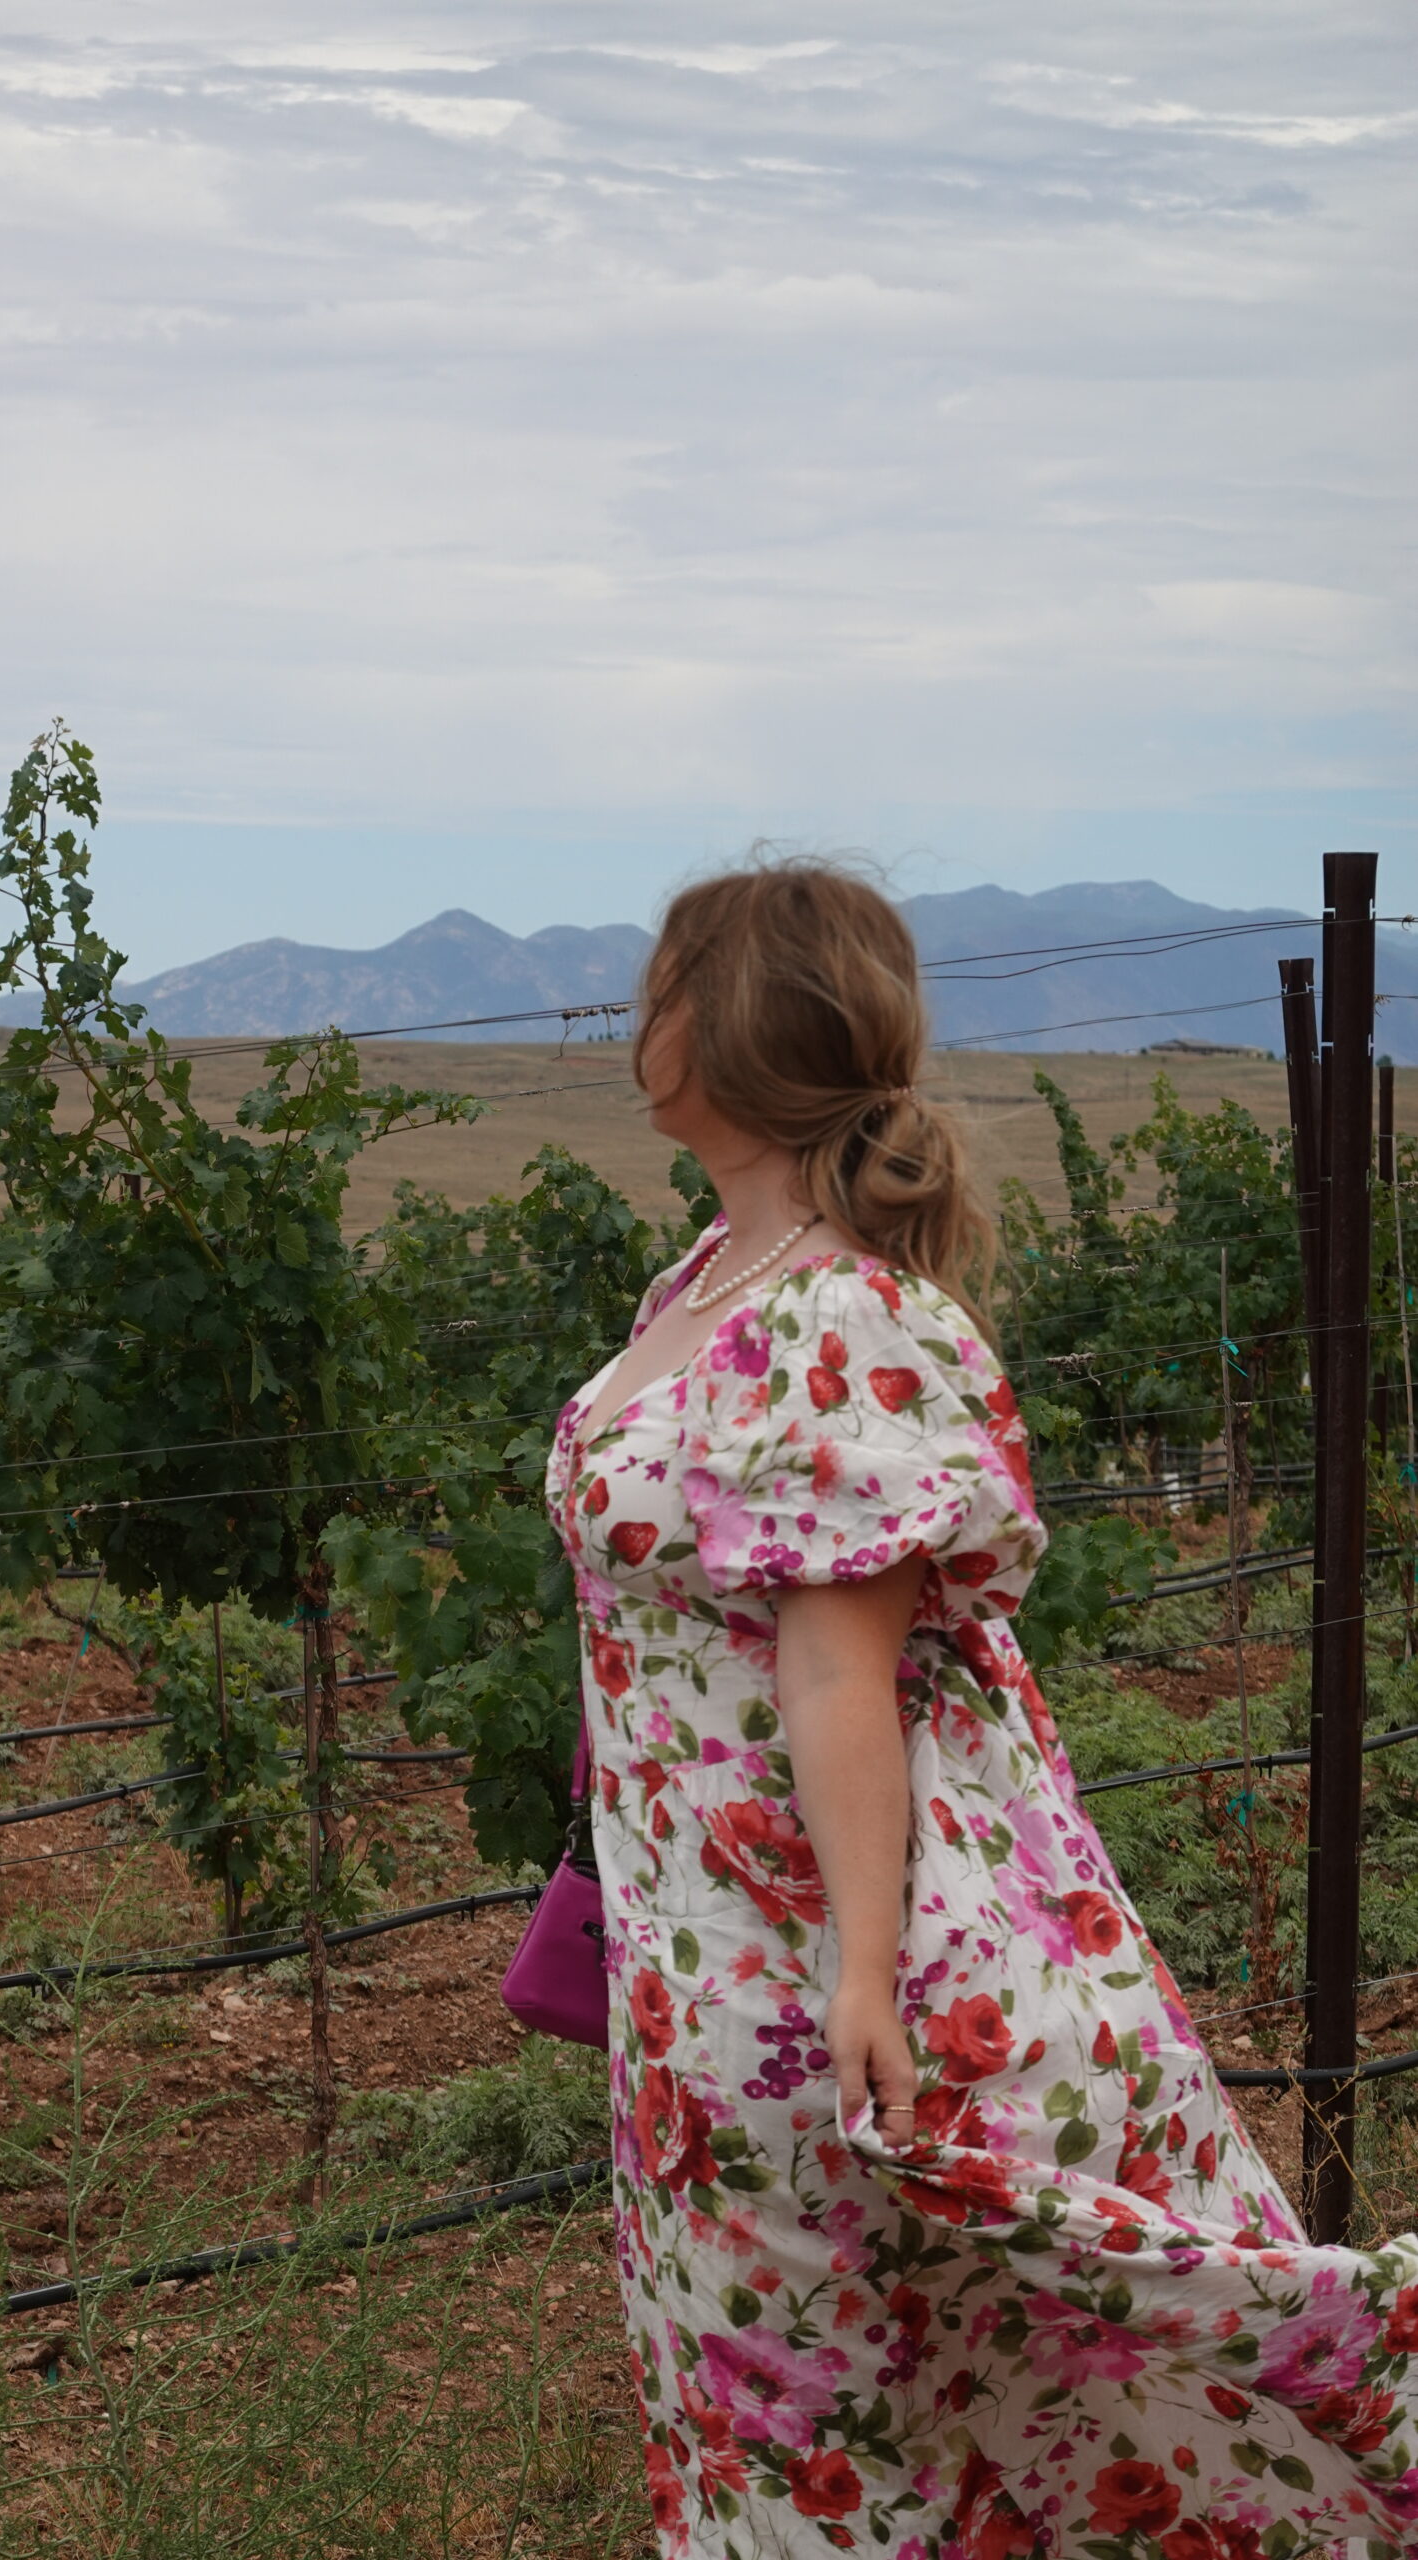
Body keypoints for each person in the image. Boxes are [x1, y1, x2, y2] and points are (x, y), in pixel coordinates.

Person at [544, 858, 1418, 2559]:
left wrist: (859, 1977)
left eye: (655, 990)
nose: (631, 1021)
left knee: (827, 2412)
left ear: (718, 1035)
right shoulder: (709, 1283)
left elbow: (838, 1673)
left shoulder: (839, 1323)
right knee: (764, 2395)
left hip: (799, 1971)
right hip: (693, 1960)